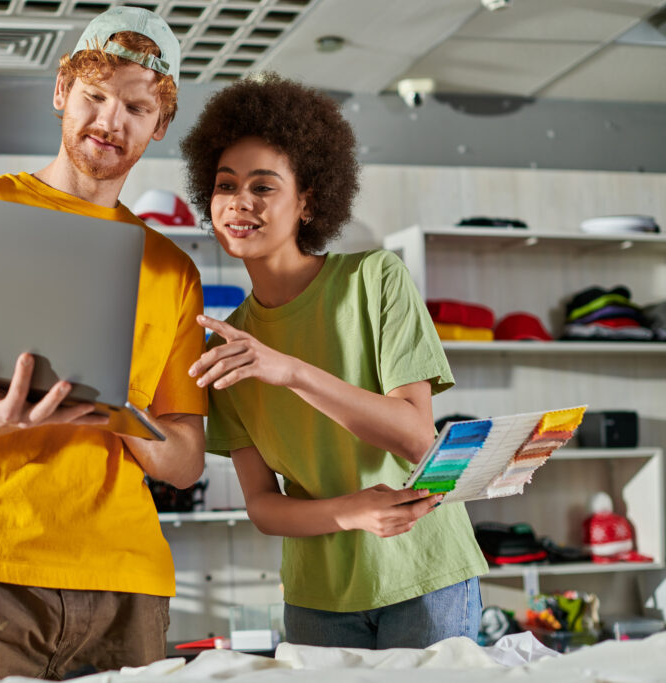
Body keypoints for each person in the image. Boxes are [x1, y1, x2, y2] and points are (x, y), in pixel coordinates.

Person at [0, 8, 206, 681]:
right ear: (61, 91)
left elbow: (187, 459)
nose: (111, 121)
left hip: (126, 586)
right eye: (96, 96)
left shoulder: (173, 269)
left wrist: (121, 416)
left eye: (137, 107)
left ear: (159, 126)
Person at [179, 73, 488, 650]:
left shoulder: (376, 279)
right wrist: (351, 512)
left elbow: (417, 437)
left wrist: (289, 370)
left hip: (424, 576)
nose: (240, 202)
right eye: (225, 185)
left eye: (264, 186)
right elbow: (264, 507)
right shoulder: (227, 350)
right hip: (317, 598)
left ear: (308, 200)